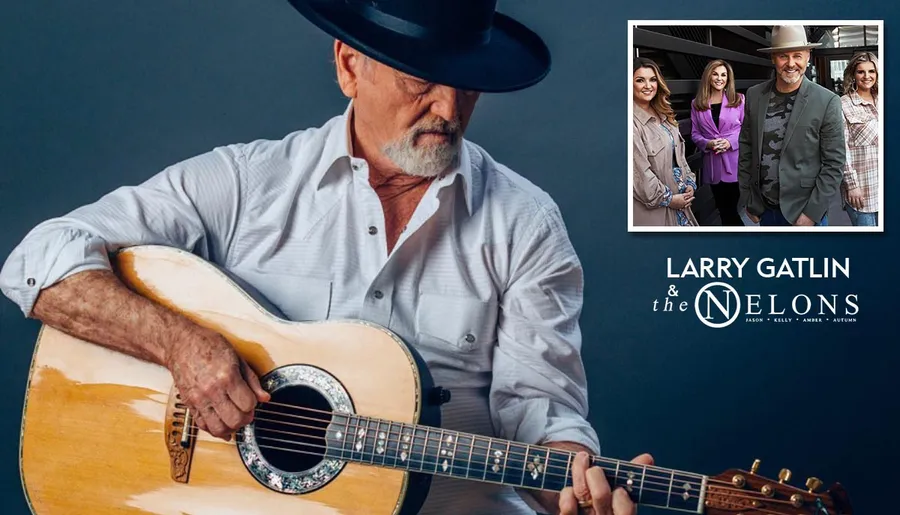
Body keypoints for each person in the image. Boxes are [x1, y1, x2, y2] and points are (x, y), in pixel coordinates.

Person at [0, 1, 650, 514]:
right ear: (348, 66)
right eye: (421, 79)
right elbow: (38, 261)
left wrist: (573, 483)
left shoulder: (527, 224)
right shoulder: (245, 184)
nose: (449, 110)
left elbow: (538, 410)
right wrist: (181, 345)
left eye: (467, 86)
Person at [738, 25, 845, 227]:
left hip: (805, 211)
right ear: (773, 58)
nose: (791, 63)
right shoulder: (754, 95)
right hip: (765, 210)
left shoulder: (827, 101)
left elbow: (834, 163)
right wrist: (748, 200)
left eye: (797, 55)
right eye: (783, 56)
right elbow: (746, 149)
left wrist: (812, 214)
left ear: (807, 56)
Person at [632, 57, 699, 226]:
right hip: (656, 210)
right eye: (640, 80)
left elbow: (680, 157)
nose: (648, 86)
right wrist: (669, 199)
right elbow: (640, 174)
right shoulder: (630, 123)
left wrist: (690, 183)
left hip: (682, 206)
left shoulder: (664, 114)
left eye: (653, 79)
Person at [690, 59, 745, 226]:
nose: (719, 78)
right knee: (723, 210)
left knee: (732, 211)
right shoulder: (697, 104)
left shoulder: (739, 100)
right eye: (715, 74)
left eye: (723, 75)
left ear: (728, 79)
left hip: (735, 165)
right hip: (713, 165)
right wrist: (708, 144)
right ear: (708, 76)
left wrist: (730, 142)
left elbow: (747, 130)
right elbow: (695, 133)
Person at [840, 52, 880, 226]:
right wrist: (852, 185)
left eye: (871, 71)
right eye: (861, 72)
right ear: (853, 75)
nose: (867, 76)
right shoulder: (843, 104)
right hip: (864, 191)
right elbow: (841, 149)